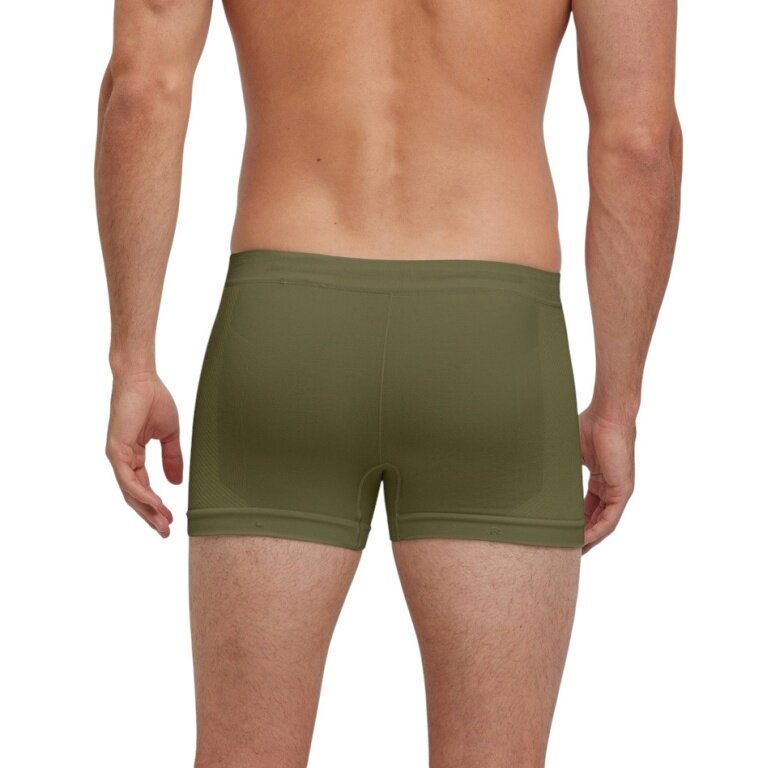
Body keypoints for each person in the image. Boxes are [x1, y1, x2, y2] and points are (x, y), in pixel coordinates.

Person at [95, 0, 681, 764]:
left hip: (284, 335)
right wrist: (617, 405)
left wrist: (132, 360)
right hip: (492, 346)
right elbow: (639, 143)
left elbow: (142, 91)